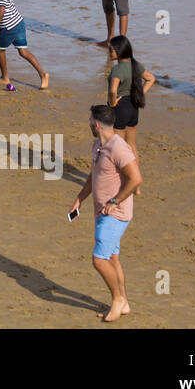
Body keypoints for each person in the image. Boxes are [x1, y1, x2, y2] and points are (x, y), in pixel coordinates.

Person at [70, 105, 142, 321]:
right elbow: (94, 177)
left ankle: (117, 299)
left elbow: (136, 179)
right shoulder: (98, 146)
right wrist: (79, 199)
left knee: (99, 260)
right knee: (112, 258)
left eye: (90, 119)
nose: (89, 122)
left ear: (97, 124)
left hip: (115, 214)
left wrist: (114, 201)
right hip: (101, 213)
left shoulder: (118, 148)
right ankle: (124, 302)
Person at [107, 35, 153, 158]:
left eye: (111, 49)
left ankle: (122, 176)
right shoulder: (136, 65)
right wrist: (139, 94)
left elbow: (112, 90)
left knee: (118, 148)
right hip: (133, 106)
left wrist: (112, 103)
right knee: (132, 145)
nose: (109, 52)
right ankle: (136, 175)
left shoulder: (117, 69)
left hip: (120, 107)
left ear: (119, 51)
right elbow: (151, 79)